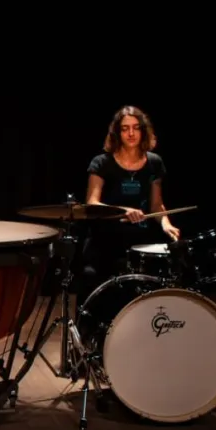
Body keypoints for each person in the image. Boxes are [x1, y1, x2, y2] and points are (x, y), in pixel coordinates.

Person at [76, 105, 181, 307]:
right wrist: (124, 210)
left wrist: (166, 223)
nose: (131, 133)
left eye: (135, 127)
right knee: (92, 286)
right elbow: (92, 203)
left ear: (143, 130)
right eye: (125, 128)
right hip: (103, 242)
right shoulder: (101, 162)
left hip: (138, 244)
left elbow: (157, 205)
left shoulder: (154, 163)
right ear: (117, 132)